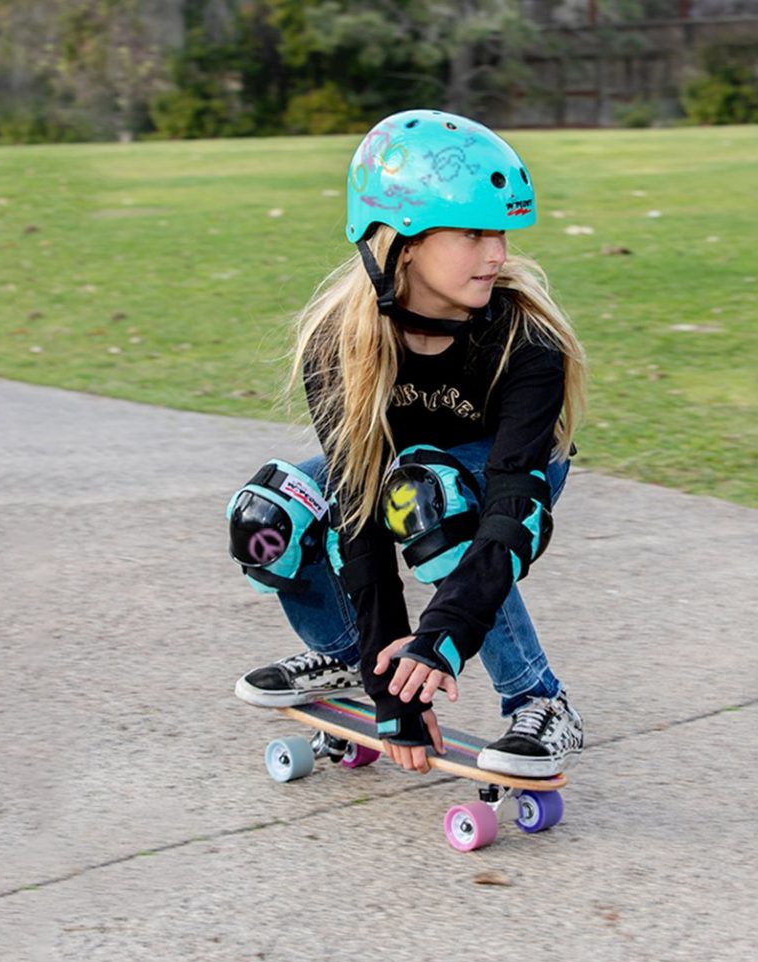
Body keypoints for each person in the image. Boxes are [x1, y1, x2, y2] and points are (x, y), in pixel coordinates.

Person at [229, 108, 586, 778]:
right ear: (407, 240)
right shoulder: (340, 340)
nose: (499, 255)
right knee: (268, 516)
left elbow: (515, 510)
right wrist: (386, 675)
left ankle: (541, 701)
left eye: (502, 233)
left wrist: (437, 644)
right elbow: (357, 507)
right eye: (475, 232)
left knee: (427, 500)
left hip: (506, 474)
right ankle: (343, 654)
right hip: (403, 478)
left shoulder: (525, 343)